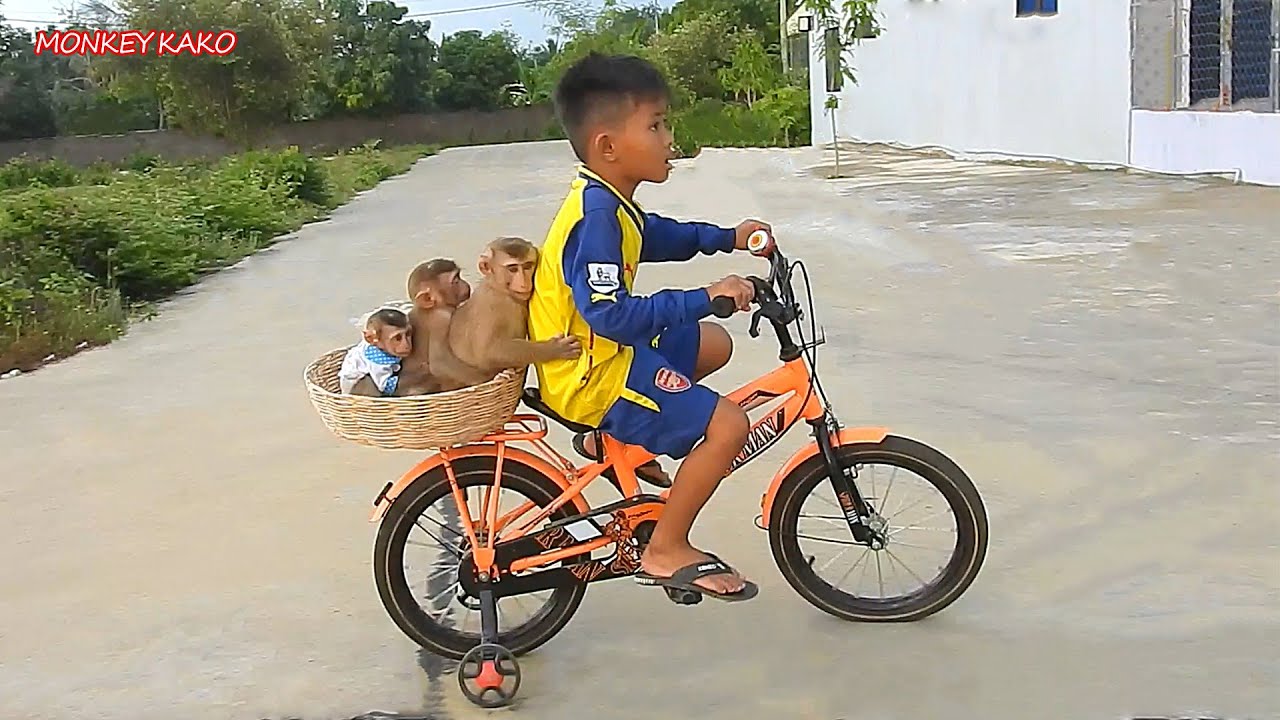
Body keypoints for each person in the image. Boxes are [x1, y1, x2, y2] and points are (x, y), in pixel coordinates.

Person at [527, 51, 774, 602]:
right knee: (728, 427)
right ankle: (666, 547)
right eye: (656, 125)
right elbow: (609, 316)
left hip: (600, 352)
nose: (669, 138)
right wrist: (704, 296)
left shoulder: (609, 202)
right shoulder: (595, 220)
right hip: (592, 371)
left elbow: (656, 235)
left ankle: (613, 445)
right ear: (607, 146)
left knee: (714, 343)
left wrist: (727, 236)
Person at [339, 307, 413, 396]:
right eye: (397, 338)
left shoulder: (380, 343)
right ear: (370, 339)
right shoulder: (376, 359)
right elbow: (385, 386)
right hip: (358, 387)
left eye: (408, 334)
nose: (406, 344)